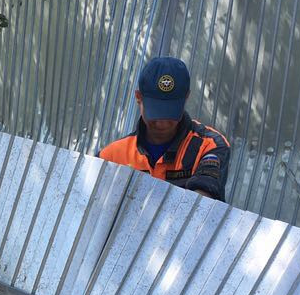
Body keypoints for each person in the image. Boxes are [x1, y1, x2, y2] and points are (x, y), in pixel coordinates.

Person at [98, 57, 231, 202]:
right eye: (155, 113)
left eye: (170, 113)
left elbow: (199, 210)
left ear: (186, 98)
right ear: (138, 98)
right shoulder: (111, 156)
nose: (162, 124)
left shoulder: (209, 147)